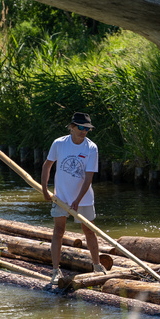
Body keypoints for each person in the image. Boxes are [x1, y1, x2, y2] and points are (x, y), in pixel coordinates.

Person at [41, 112, 105, 286]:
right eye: (81, 128)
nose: (84, 132)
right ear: (72, 127)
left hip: (83, 198)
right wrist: (45, 189)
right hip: (61, 196)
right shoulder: (59, 144)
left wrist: (77, 200)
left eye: (87, 129)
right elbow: (47, 165)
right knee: (58, 231)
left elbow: (88, 177)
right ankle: (55, 270)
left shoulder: (91, 148)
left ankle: (97, 266)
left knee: (89, 231)